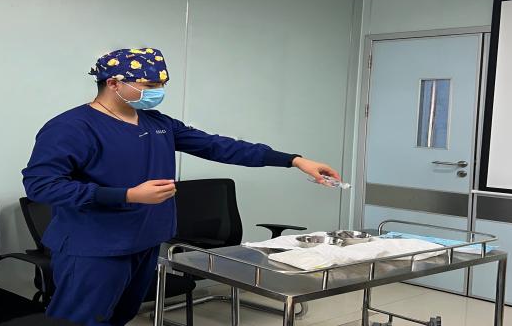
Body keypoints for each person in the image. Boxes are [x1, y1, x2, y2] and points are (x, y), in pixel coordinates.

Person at [22, 47, 342, 325]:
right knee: (79, 319)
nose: (158, 91)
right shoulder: (71, 127)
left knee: (121, 315)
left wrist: (294, 160)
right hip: (95, 247)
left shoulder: (157, 123)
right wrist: (128, 195)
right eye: (150, 85)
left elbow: (219, 146)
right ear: (114, 83)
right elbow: (41, 186)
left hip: (145, 240)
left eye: (162, 84)